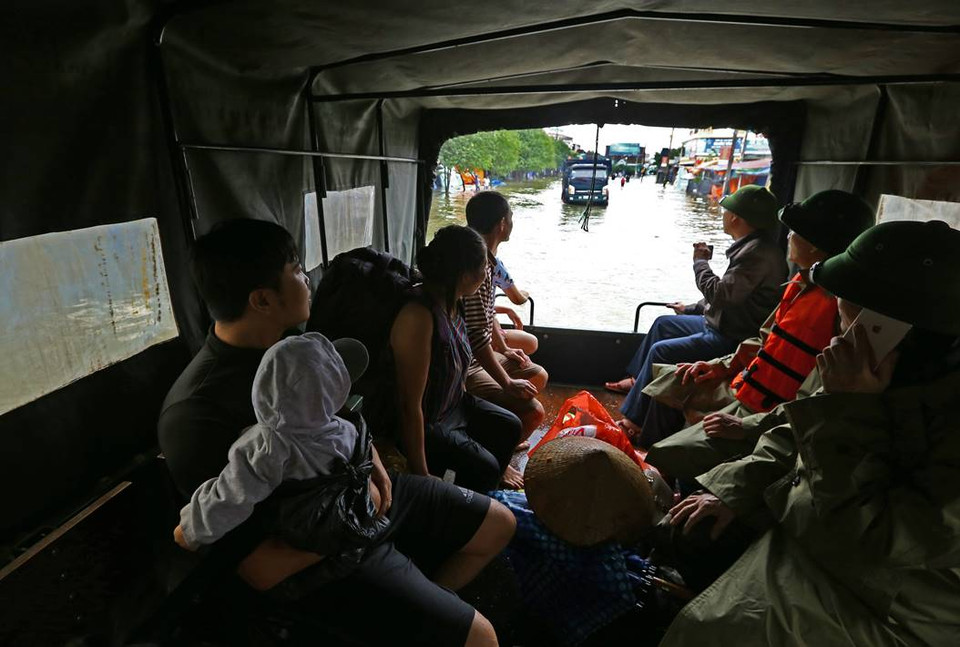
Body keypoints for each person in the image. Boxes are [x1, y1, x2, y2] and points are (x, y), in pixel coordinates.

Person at [157, 219, 516, 647]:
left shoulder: (295, 346)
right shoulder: (197, 415)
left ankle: (422, 614)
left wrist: (375, 467)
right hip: (318, 553)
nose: (307, 279)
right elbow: (259, 568)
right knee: (483, 639)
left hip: (363, 496)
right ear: (262, 299)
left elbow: (345, 413)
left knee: (499, 524)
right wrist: (364, 512)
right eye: (296, 270)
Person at [660, 219, 960, 647]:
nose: (840, 327)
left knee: (718, 628)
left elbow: (875, 539)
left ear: (891, 327)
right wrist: (735, 490)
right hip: (820, 514)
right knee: (692, 531)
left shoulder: (887, 384)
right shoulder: (866, 360)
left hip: (894, 596)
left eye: (848, 314)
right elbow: (794, 425)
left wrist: (846, 407)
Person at [639, 190, 875, 453]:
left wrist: (749, 426)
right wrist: (721, 367)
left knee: (670, 449)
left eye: (794, 232)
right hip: (748, 381)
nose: (788, 237)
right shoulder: (800, 285)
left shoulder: (841, 311)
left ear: (814, 245)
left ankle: (648, 455)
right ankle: (643, 442)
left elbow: (814, 401)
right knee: (670, 380)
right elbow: (764, 339)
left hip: (764, 405)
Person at [607, 184, 788, 438]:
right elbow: (732, 294)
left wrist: (700, 262)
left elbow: (721, 294)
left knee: (661, 351)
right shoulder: (752, 247)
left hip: (731, 336)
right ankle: (639, 382)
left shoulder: (757, 254)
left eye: (726, 211)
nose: (724, 214)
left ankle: (633, 422)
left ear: (736, 218)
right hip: (718, 323)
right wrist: (690, 308)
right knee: (663, 324)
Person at [389, 225, 524, 491]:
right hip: (430, 421)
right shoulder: (419, 316)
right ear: (464, 276)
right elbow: (408, 404)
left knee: (511, 426)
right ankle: (465, 496)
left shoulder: (454, 301)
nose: (488, 273)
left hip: (453, 405)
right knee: (485, 468)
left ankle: (486, 486)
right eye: (484, 267)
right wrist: (421, 474)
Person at [462, 191, 549, 439]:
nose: (512, 223)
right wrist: (507, 383)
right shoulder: (477, 266)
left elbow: (485, 314)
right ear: (502, 223)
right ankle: (497, 447)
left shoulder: (486, 261)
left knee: (538, 375)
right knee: (534, 413)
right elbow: (476, 336)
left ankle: (493, 420)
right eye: (511, 218)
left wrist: (504, 348)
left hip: (475, 356)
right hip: (466, 365)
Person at [492, 255, 538, 356]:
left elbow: (481, 305)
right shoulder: (493, 263)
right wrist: (525, 293)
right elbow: (518, 299)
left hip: (481, 328)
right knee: (531, 342)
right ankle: (497, 348)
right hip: (485, 331)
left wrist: (507, 310)